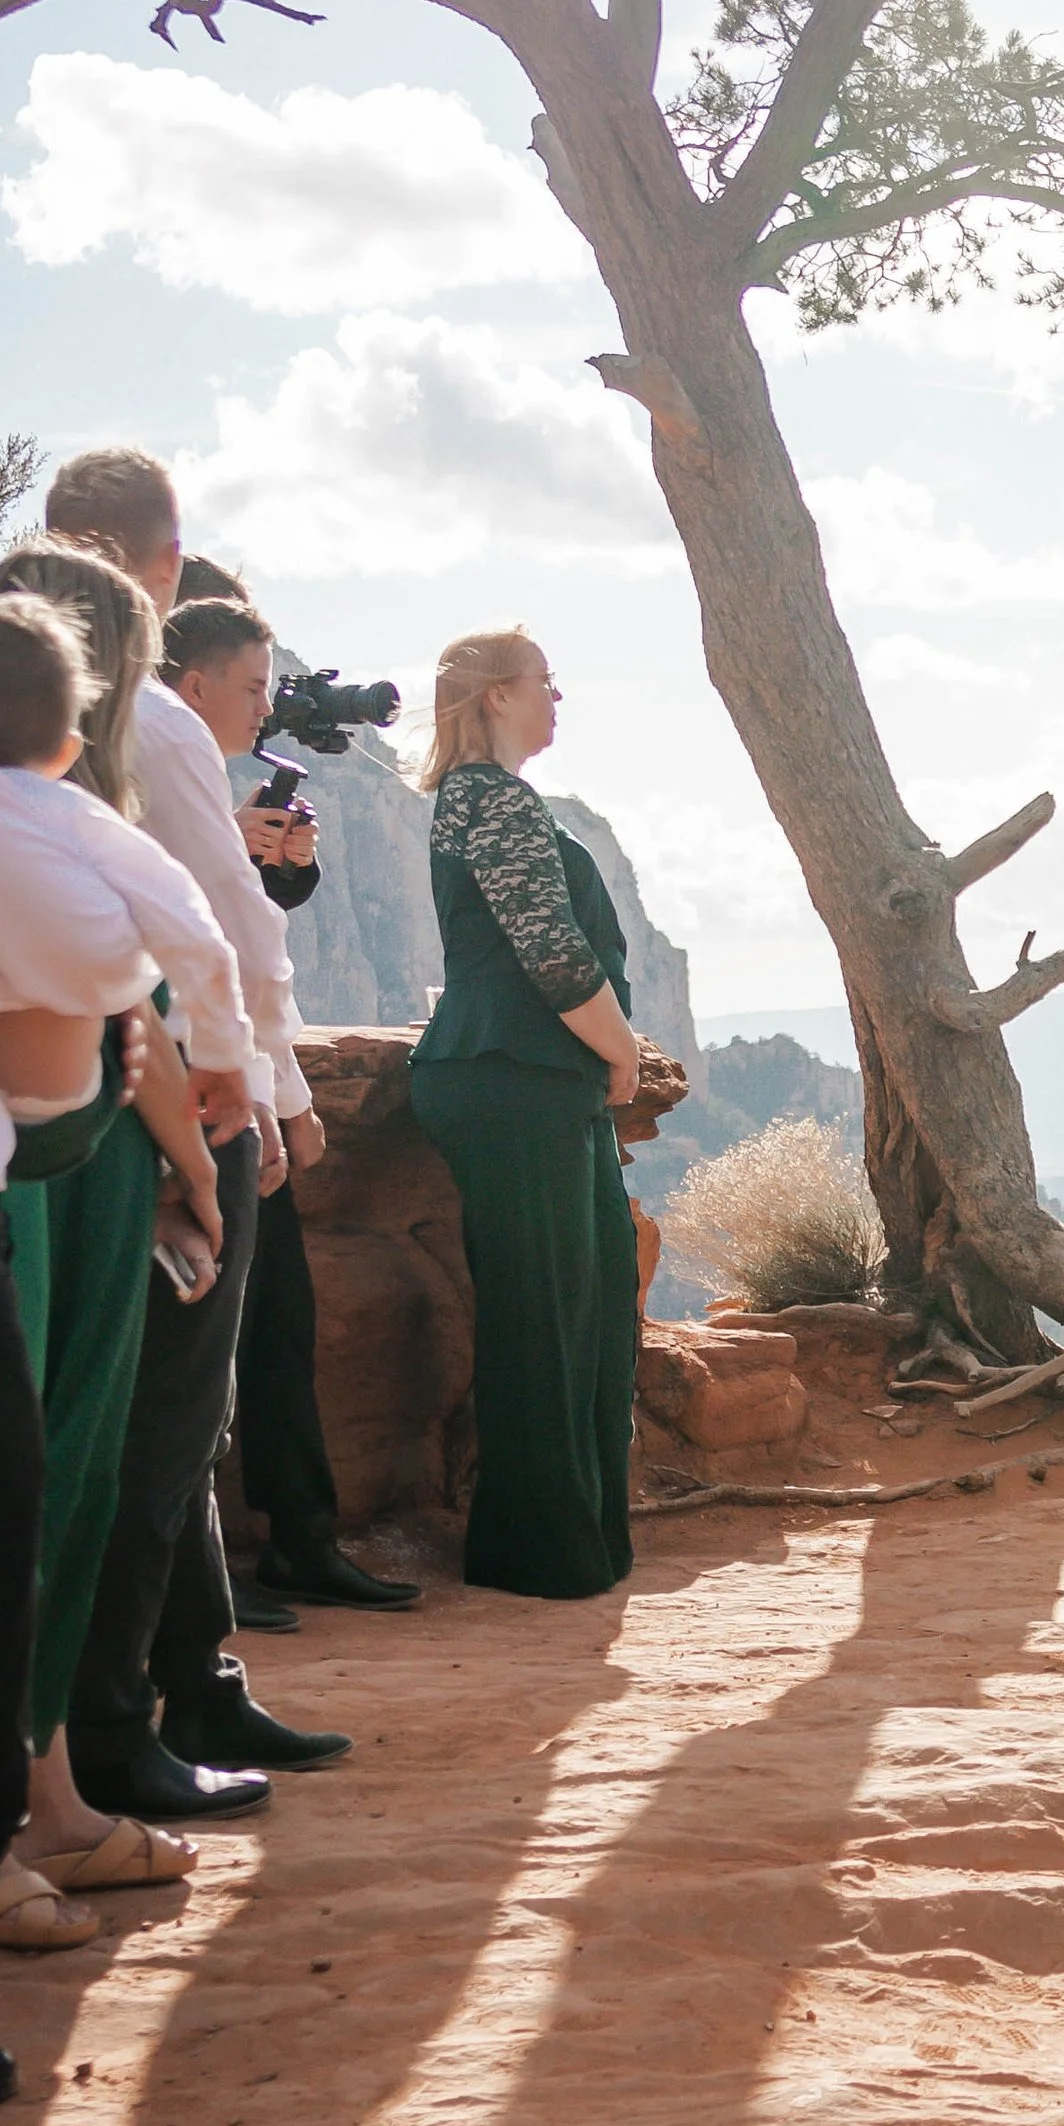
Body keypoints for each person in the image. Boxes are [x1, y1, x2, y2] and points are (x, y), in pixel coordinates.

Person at [32, 462, 349, 1811]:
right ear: (160, 566)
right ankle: (111, 1729)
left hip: (75, 1118)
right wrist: (266, 1094)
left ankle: (173, 1690)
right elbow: (217, 937)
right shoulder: (147, 731)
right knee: (154, 1423)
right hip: (152, 1116)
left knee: (142, 1422)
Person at [0, 567, 250, 1917]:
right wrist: (203, 1153)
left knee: (46, 1485)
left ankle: (48, 1802)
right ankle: (28, 1820)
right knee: (37, 1482)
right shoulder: (51, 831)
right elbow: (130, 1000)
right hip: (46, 1178)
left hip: (71, 1155)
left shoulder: (49, 826)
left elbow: (130, 1010)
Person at [161, 586, 419, 1622]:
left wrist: (280, 869)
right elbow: (215, 950)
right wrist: (286, 1098)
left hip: (239, 1083)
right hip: (197, 1089)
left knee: (277, 1328)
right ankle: (210, 1580)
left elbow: (247, 930)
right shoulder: (162, 767)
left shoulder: (201, 782)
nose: (267, 707)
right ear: (196, 683)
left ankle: (300, 1542)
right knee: (208, 1353)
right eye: (256, 687)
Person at [410, 628, 642, 1598]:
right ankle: (536, 1555)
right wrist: (623, 1051)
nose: (558, 698)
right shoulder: (484, 799)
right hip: (511, 1079)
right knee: (544, 1312)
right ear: (495, 697)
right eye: (544, 683)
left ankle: (574, 1541)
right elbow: (550, 956)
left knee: (586, 1309)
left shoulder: (498, 800)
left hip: (538, 1082)